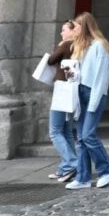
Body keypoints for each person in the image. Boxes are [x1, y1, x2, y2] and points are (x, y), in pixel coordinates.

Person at [66, 11, 109, 190]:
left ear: (84, 26)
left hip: (93, 93)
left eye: (76, 26)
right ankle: (83, 178)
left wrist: (94, 101)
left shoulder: (99, 46)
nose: (74, 29)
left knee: (88, 135)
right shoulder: (81, 47)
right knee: (81, 138)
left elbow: (101, 77)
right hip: (81, 94)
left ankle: (106, 169)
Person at [45, 18, 80, 182]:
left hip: (62, 89)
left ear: (72, 31)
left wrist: (59, 45)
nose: (62, 32)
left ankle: (72, 163)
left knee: (55, 131)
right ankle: (65, 167)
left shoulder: (66, 45)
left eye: (64, 29)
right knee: (66, 130)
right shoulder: (79, 45)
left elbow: (51, 60)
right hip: (71, 89)